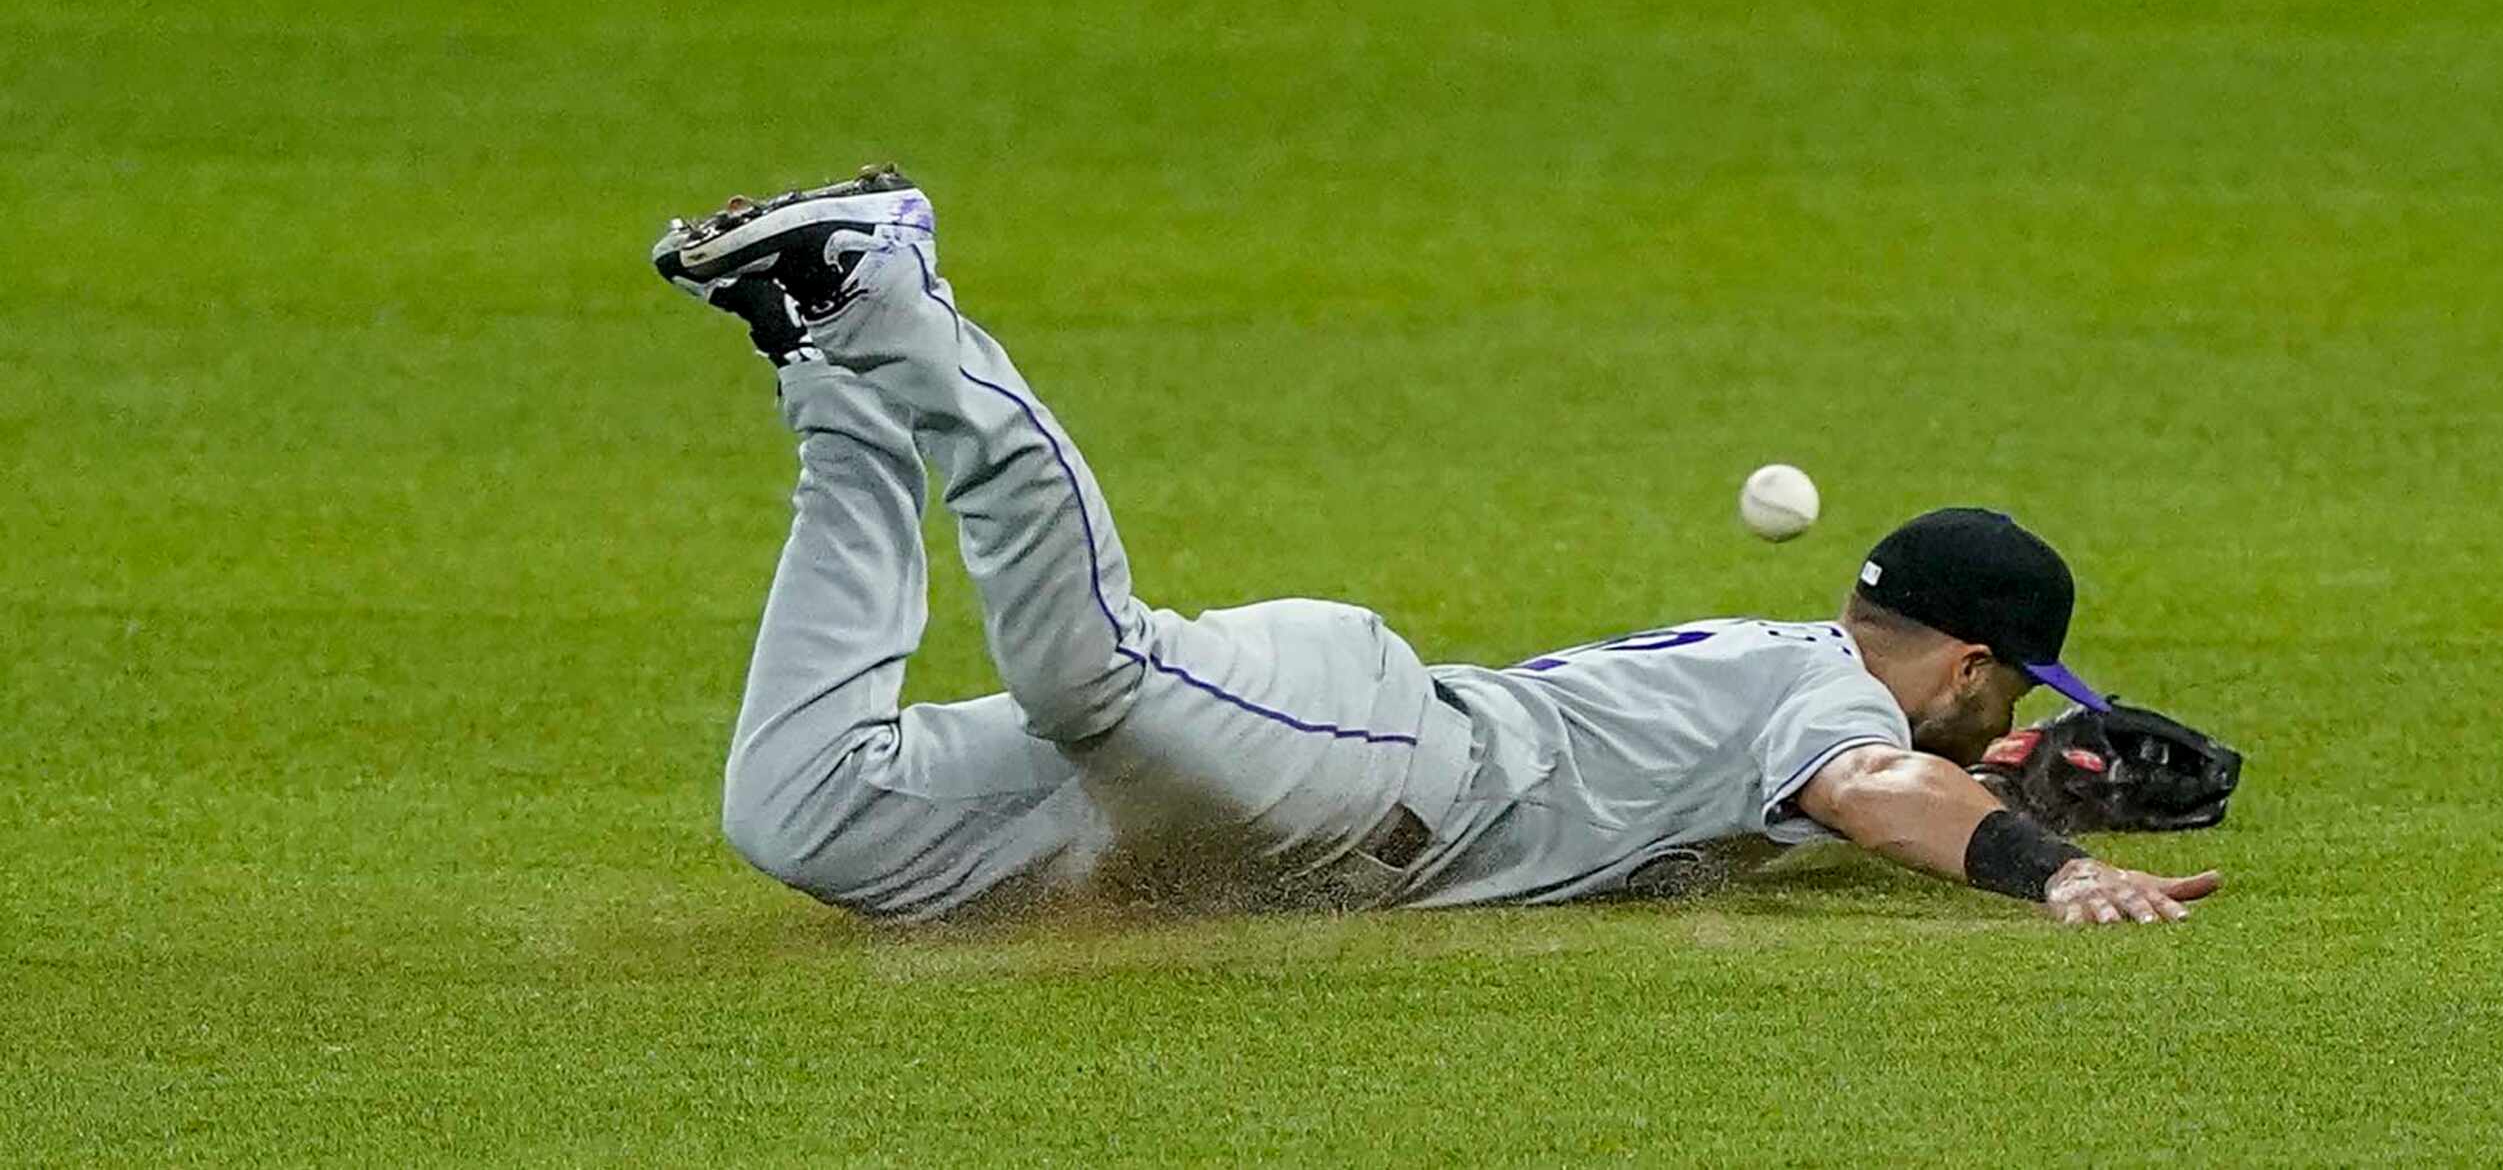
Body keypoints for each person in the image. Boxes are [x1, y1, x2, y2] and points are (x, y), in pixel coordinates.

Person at [655, 167, 2221, 928]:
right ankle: (892, 288)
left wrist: (2021, 776)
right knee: (1092, 672)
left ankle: (822, 359)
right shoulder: (1835, 707)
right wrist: (2057, 865)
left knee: (802, 813)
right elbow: (1876, 786)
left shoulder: (1812, 686)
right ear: (1963, 664)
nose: (2015, 719)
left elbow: (1890, 785)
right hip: (1369, 752)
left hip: (1240, 844)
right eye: (2014, 695)